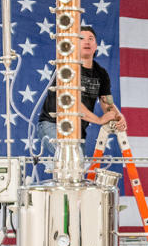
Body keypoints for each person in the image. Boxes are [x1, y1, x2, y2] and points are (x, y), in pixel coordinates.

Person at [37, 25, 126, 155]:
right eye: (81, 38)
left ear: (95, 46)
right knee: (71, 158)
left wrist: (118, 116)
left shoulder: (101, 73)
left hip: (77, 131)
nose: (87, 42)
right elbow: (71, 104)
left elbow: (106, 101)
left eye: (91, 39)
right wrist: (99, 120)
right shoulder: (65, 68)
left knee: (76, 171)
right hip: (53, 125)